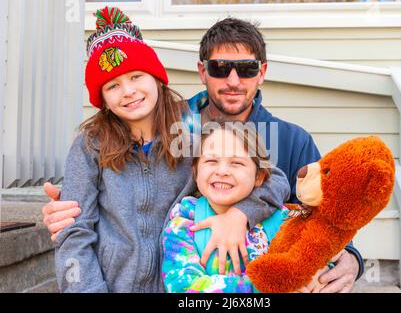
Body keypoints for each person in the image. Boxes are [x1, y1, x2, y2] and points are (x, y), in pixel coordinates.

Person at [43, 16, 363, 292]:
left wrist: (242, 215)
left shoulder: (276, 139)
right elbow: (76, 229)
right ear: (202, 71)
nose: (233, 80)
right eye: (221, 68)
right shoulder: (113, 139)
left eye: (246, 68)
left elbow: (308, 203)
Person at [162, 121, 300, 292]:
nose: (222, 171)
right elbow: (182, 286)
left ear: (259, 177)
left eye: (236, 163)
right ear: (196, 172)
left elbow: (316, 259)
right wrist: (275, 285)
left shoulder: (284, 220)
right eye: (211, 160)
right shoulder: (183, 223)